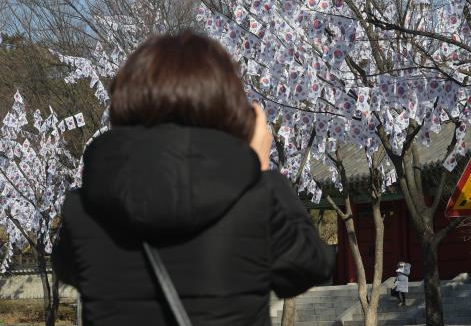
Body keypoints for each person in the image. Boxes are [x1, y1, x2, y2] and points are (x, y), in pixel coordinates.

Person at [52, 31, 334, 326]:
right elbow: (311, 266)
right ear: (227, 104)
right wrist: (262, 169)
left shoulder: (84, 209)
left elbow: (68, 269)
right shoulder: (257, 200)